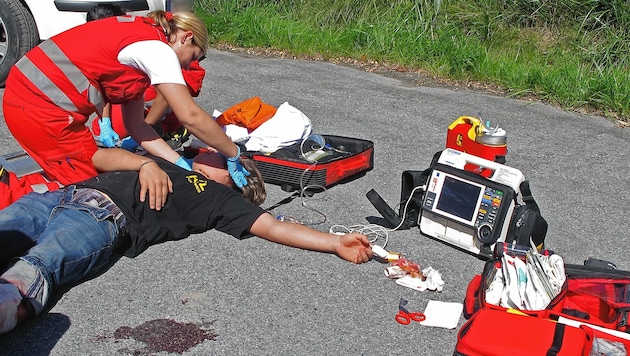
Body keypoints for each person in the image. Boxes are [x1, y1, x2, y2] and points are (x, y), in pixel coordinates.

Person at [0, 152, 373, 334]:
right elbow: (100, 156)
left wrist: (334, 242)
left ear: (233, 175)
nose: (206, 151)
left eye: (219, 155)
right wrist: (144, 164)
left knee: (36, 267)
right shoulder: (170, 161)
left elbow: (273, 226)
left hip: (102, 217)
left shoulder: (218, 199)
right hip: (58, 197)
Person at [2, 10, 250, 212]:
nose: (190, 64)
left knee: (89, 169)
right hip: (38, 105)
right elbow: (191, 116)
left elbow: (138, 126)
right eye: (195, 56)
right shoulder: (158, 50)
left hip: (33, 96)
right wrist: (232, 152)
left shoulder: (143, 40)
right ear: (185, 38)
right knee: (82, 188)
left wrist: (178, 162)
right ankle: (6, 193)